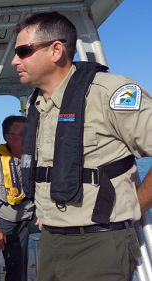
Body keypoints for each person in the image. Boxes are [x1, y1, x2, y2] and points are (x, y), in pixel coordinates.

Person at [11, 12, 152, 281]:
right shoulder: (36, 106)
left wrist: (137, 204)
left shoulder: (109, 93)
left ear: (56, 50)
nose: (15, 60)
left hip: (99, 244)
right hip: (51, 240)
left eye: (23, 51)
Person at [0, 115, 40, 281]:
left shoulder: (37, 158)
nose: (29, 138)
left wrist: (45, 213)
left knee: (63, 236)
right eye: (24, 134)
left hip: (34, 214)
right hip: (8, 219)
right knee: (16, 264)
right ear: (8, 137)